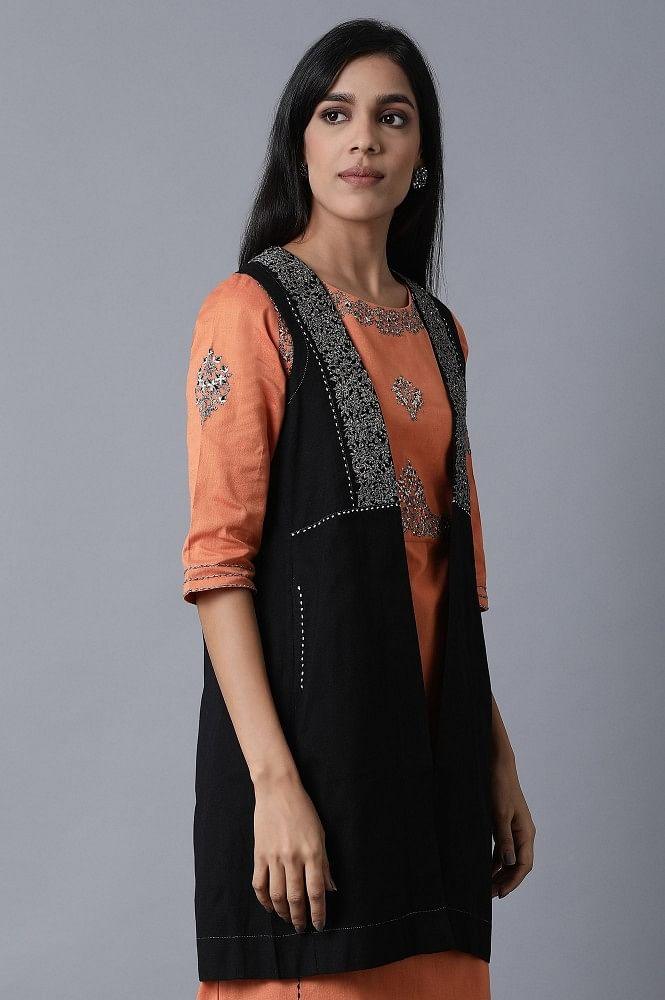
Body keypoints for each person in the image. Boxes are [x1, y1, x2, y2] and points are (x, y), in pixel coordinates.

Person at [181, 18, 535, 999]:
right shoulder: (247, 311)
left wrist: (493, 756)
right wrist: (274, 785)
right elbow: (218, 568)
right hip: (310, 768)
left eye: (392, 117)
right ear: (299, 141)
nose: (363, 139)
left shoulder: (439, 332)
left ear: (421, 158)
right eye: (335, 114)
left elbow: (444, 578)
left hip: (434, 764)